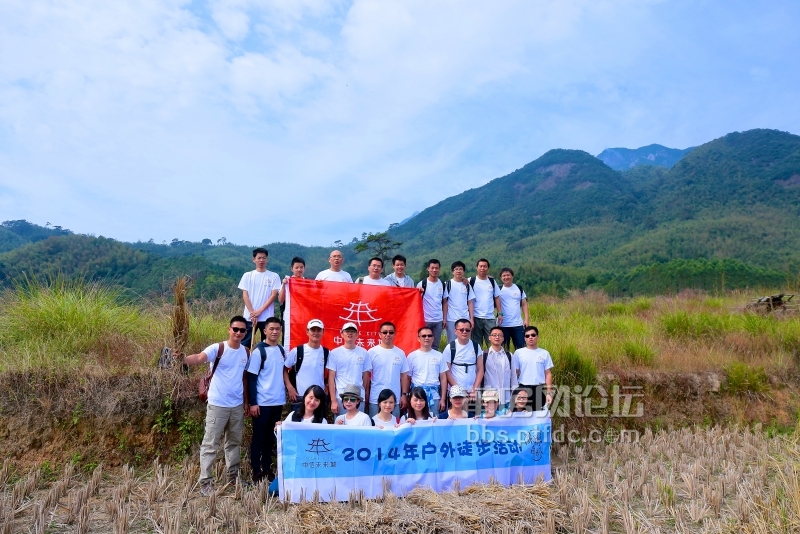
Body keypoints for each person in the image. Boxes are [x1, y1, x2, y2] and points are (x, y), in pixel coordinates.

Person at [181, 316, 251, 496]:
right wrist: (183, 359)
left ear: (246, 333)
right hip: (217, 404)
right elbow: (198, 357)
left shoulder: (246, 352)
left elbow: (244, 378)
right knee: (210, 444)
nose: (238, 333)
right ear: (229, 329)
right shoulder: (218, 348)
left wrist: (246, 402)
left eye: (242, 330)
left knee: (234, 443)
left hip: (236, 405)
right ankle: (205, 481)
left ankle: (233, 477)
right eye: (235, 329)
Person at [246, 317, 286, 484]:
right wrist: (253, 403)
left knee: (271, 438)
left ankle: (267, 469)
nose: (275, 331)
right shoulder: (258, 352)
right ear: (265, 331)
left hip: (278, 402)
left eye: (277, 329)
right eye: (271, 329)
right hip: (262, 403)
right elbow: (251, 378)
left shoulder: (282, 350)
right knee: (259, 438)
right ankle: (256, 470)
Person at [271, 385, 328, 495]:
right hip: (293, 464)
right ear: (305, 397)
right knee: (273, 490)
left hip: (311, 466)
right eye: (310, 397)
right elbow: (284, 439)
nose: (312, 402)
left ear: (320, 403)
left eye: (317, 400)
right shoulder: (293, 415)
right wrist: (279, 429)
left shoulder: (322, 421)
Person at [284, 318, 330, 412]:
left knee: (318, 425)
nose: (315, 333)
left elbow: (332, 372)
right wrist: (290, 387)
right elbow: (284, 369)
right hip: (300, 397)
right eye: (313, 330)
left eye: (319, 330)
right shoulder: (297, 351)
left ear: (323, 332)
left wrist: (328, 385)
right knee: (298, 426)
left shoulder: (327, 352)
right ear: (307, 332)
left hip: (319, 398)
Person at [239, 248, 281, 349]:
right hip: (249, 317)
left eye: (264, 258)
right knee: (245, 344)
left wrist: (260, 311)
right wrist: (252, 313)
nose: (261, 260)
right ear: (254, 259)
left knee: (267, 344)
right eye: (259, 258)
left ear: (267, 259)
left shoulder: (274, 276)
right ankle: (244, 363)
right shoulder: (247, 275)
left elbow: (273, 295)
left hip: (267, 318)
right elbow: (245, 295)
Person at [327, 322, 371, 415]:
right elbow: (331, 379)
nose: (350, 333)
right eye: (347, 331)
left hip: (358, 398)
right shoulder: (335, 353)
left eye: (353, 331)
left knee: (358, 427)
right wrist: (333, 401)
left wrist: (366, 396)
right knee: (341, 426)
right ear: (342, 334)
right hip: (341, 397)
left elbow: (366, 378)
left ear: (357, 334)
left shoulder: (364, 353)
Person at [367, 321, 409, 418]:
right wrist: (367, 395)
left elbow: (404, 376)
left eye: (391, 332)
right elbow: (366, 376)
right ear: (380, 335)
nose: (388, 335)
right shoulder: (372, 352)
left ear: (395, 334)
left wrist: (404, 395)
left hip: (395, 399)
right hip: (375, 398)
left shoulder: (400, 353)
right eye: (385, 332)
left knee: (394, 427)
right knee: (376, 428)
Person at [406, 327, 449, 417]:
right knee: (416, 421)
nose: (427, 338)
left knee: (434, 421)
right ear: (418, 338)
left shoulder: (439, 355)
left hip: (434, 396)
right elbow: (408, 378)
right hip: (416, 396)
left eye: (429, 336)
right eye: (424, 336)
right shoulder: (412, 356)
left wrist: (443, 399)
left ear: (433, 338)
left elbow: (443, 378)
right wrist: (406, 396)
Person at [445, 318, 484, 412]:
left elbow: (480, 369)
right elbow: (446, 371)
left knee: (474, 418)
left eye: (467, 330)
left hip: (473, 392)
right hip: (456, 393)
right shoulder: (450, 347)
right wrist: (459, 390)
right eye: (461, 330)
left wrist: (474, 389)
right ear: (455, 331)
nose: (464, 332)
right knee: (456, 418)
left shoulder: (476, 346)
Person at [512, 326, 554, 412]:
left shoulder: (544, 353)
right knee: (521, 416)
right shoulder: (518, 353)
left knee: (538, 416)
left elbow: (548, 373)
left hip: (538, 389)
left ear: (537, 337)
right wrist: (513, 391)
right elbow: (515, 373)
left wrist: (549, 393)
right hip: (522, 389)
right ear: (524, 338)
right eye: (527, 336)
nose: (530, 337)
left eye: (533, 335)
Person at [482, 327, 517, 410]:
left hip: (506, 399)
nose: (497, 337)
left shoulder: (509, 356)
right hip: (489, 400)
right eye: (494, 335)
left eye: (500, 335)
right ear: (489, 337)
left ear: (503, 338)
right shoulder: (484, 355)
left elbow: (514, 378)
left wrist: (514, 397)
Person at [469, 258, 501, 348]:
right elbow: (458, 280)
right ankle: (478, 361)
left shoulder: (492, 281)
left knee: (492, 343)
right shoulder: (471, 280)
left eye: (485, 266)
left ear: (488, 268)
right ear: (477, 268)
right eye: (481, 266)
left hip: (490, 318)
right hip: (476, 317)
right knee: (476, 344)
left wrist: (500, 313)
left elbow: (497, 297)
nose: (482, 268)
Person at [416, 259, 447, 348]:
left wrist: (444, 318)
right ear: (428, 269)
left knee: (435, 345)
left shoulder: (442, 284)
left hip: (438, 320)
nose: (434, 270)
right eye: (432, 268)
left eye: (436, 268)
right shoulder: (422, 284)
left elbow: (445, 302)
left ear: (439, 269)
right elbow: (416, 302)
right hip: (425, 320)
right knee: (423, 344)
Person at [443, 261, 475, 343]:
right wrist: (445, 319)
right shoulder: (447, 284)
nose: (458, 271)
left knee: (466, 342)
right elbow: (445, 302)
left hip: (465, 318)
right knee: (452, 342)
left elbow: (470, 302)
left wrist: (471, 319)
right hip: (451, 319)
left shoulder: (467, 285)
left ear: (463, 271)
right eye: (456, 269)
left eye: (461, 269)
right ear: (452, 272)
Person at [497, 267, 528, 352]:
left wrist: (526, 319)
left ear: (512, 276)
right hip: (503, 325)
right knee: (504, 350)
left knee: (521, 349)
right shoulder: (498, 289)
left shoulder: (518, 288)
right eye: (504, 276)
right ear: (501, 278)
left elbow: (524, 304)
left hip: (518, 324)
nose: (506, 277)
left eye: (508, 275)